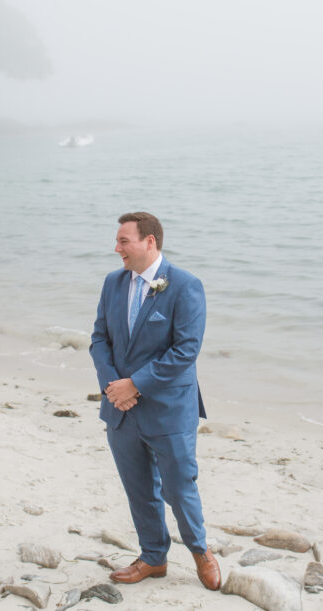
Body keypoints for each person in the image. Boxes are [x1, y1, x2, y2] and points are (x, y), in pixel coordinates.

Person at [89, 211, 221, 591]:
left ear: (150, 242)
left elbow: (186, 351)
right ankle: (153, 557)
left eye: (123, 241)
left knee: (180, 487)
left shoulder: (185, 286)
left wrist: (137, 384)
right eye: (117, 241)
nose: (117, 249)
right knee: (138, 487)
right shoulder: (113, 283)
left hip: (168, 410)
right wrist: (114, 386)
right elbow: (99, 338)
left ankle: (200, 552)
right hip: (120, 409)